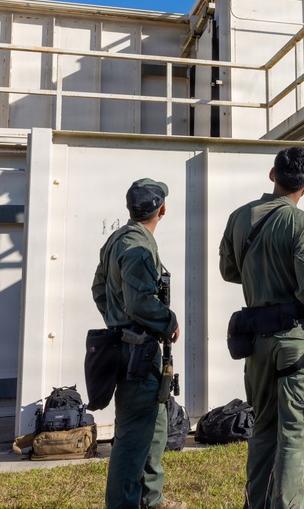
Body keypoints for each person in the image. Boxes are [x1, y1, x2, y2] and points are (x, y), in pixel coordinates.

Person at [219, 147, 304, 509]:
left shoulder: (239, 217)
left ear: (273, 175)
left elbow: (228, 271)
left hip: (256, 340)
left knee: (263, 428)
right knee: (295, 431)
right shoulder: (303, 224)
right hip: (295, 342)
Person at [91, 179, 186, 509]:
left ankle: (151, 498)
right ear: (162, 210)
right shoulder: (139, 248)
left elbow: (99, 289)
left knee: (155, 430)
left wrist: (117, 324)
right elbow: (141, 303)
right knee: (133, 439)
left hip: (135, 350)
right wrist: (168, 320)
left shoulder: (118, 239)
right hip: (138, 354)